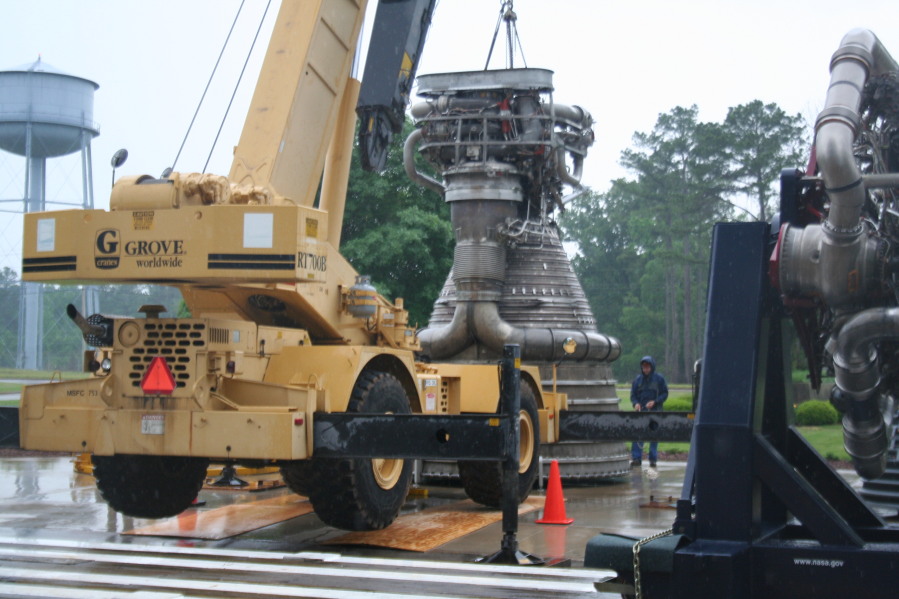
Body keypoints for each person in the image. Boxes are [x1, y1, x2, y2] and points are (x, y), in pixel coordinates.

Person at [630, 355, 668, 468]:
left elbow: (665, 394)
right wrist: (635, 403)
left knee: (653, 436)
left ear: (652, 367)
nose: (645, 369)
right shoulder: (637, 380)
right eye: (644, 367)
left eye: (647, 367)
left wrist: (655, 402)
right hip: (641, 412)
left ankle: (652, 460)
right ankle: (636, 458)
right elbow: (633, 395)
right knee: (638, 435)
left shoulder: (659, 379)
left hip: (655, 411)